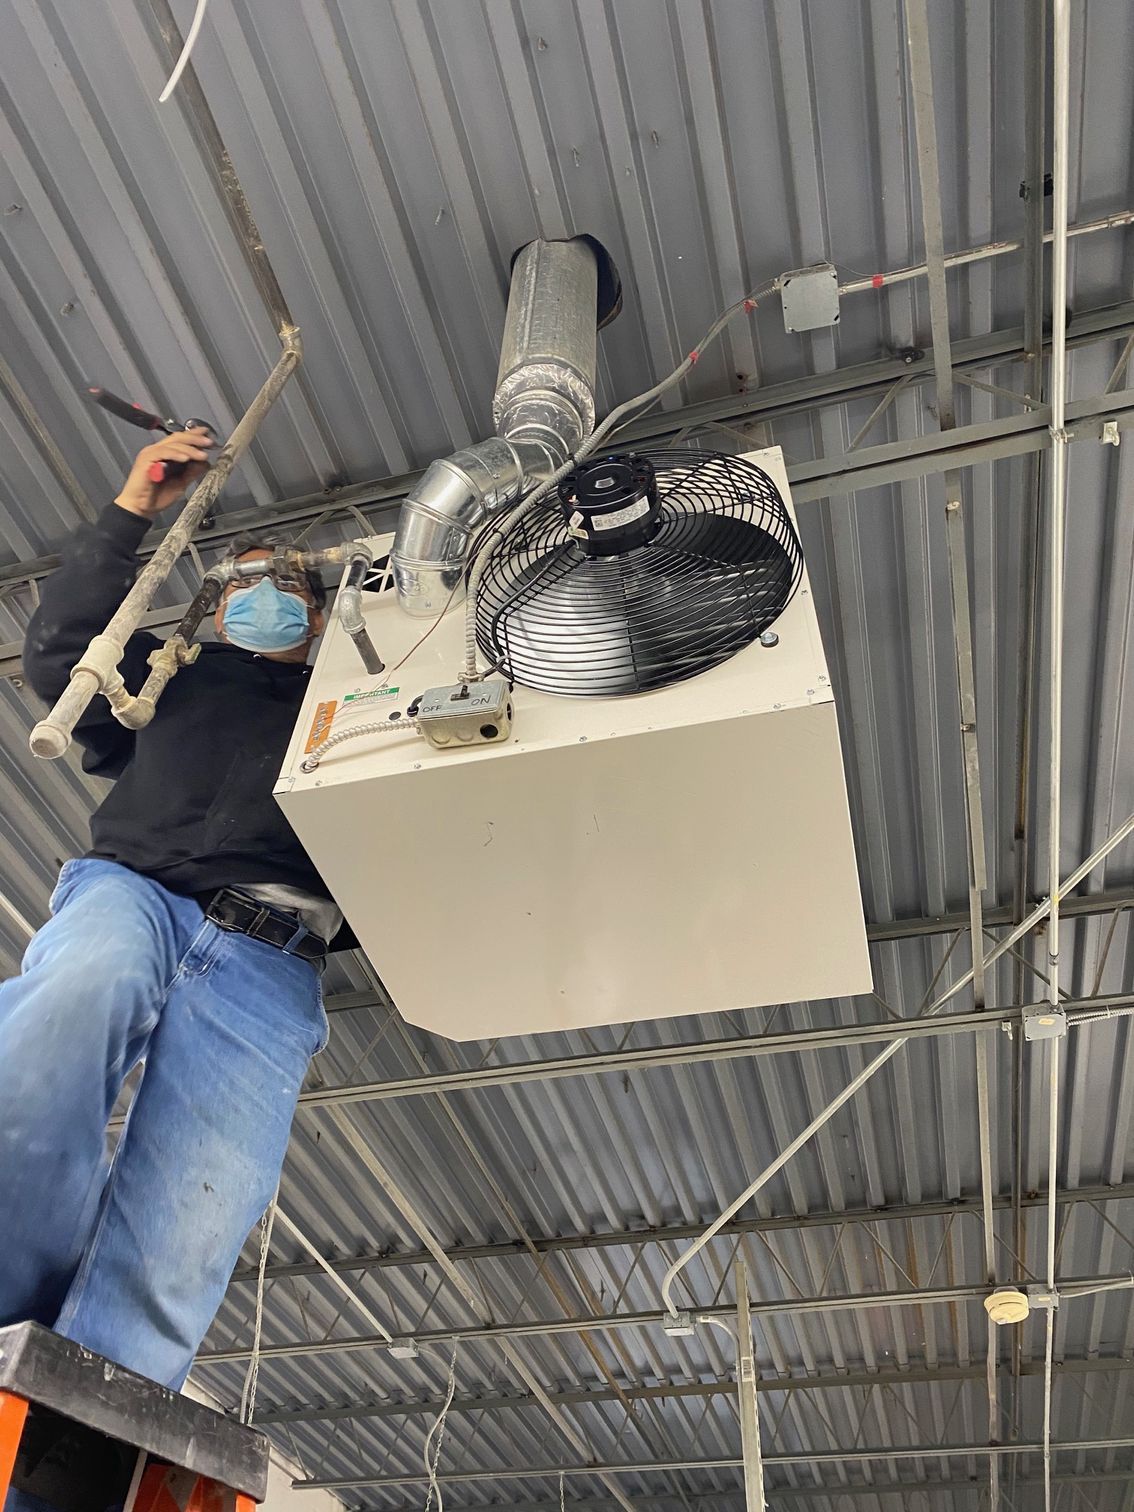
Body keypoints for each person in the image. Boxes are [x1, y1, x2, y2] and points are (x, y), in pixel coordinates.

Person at [0, 427, 343, 1402]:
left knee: (195, 1213)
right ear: (215, 606)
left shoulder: (355, 702)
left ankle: (74, 1438)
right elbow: (66, 651)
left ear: (322, 620)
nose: (264, 595)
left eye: (288, 588)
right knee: (63, 1011)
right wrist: (133, 509)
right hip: (133, 891)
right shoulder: (171, 676)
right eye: (243, 582)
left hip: (273, 950)